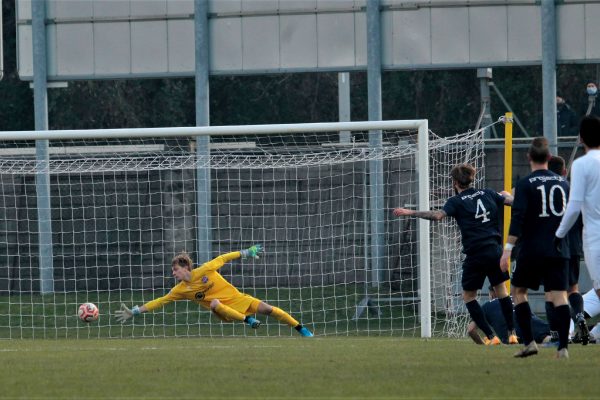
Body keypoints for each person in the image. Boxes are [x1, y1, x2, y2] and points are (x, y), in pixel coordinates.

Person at [393, 163, 517, 346]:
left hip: (475, 254)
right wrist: (507, 195)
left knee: (469, 297)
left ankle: (491, 337)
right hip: (495, 251)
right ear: (471, 178)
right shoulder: (489, 193)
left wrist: (411, 211)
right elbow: (511, 201)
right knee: (502, 291)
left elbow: (437, 216)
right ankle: (512, 333)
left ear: (455, 182)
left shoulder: (456, 202)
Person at [114, 245, 314, 337]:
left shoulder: (205, 269)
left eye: (175, 269)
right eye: (173, 271)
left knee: (270, 309)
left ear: (186, 267)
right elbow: (160, 301)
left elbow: (224, 257)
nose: (173, 273)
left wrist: (246, 253)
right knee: (215, 303)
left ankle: (302, 330)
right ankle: (249, 321)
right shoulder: (180, 290)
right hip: (222, 311)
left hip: (238, 299)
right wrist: (135, 311)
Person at [500, 137, 571, 359]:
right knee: (560, 296)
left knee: (519, 292)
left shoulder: (524, 185)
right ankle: (563, 348)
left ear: (529, 157)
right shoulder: (563, 184)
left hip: (531, 248)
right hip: (558, 248)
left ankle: (530, 343)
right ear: (549, 158)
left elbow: (518, 219)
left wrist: (508, 249)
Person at [555, 115, 600, 343]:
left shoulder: (581, 164)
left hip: (594, 237)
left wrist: (559, 233)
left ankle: (583, 331)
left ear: (581, 137)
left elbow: (573, 206)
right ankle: (591, 333)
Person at [547, 155, 589, 345]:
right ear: (565, 171)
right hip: (574, 246)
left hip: (553, 246)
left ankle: (556, 334)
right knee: (573, 288)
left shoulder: (544, 191)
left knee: (551, 292)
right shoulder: (575, 190)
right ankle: (579, 315)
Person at [467, 286, 551, 345]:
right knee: (548, 337)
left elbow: (471, 330)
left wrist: (483, 345)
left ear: (491, 294)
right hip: (537, 324)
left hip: (515, 337)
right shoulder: (514, 297)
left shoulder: (486, 306)